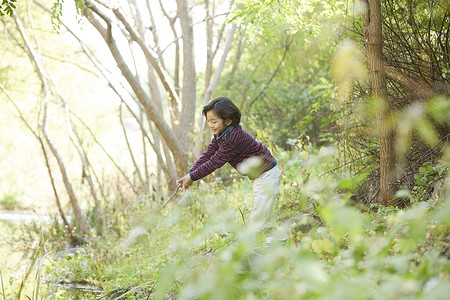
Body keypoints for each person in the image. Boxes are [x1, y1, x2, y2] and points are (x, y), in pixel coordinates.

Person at [177, 97, 281, 224]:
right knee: (260, 217)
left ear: (228, 120)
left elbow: (215, 161)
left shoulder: (232, 137)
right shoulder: (222, 134)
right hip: (261, 176)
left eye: (214, 122)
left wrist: (192, 177)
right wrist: (190, 173)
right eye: (208, 121)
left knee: (258, 219)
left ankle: (264, 242)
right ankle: (268, 241)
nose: (210, 125)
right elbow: (208, 154)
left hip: (267, 175)